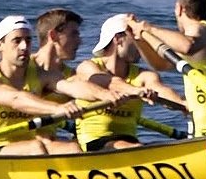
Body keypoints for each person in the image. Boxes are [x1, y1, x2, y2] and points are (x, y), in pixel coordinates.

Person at [0, 15, 111, 155]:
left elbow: (73, 86)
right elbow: (16, 100)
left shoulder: (43, 76)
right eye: (16, 41)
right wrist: (57, 108)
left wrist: (105, 95)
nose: (24, 46)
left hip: (30, 147)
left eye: (28, 40)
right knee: (35, 147)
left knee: (72, 148)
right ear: (0, 45)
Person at [125, 0, 206, 138]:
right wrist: (138, 39)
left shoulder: (200, 29)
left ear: (179, 8)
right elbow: (160, 64)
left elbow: (186, 45)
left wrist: (149, 28)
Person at [75, 14, 185, 151]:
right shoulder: (87, 67)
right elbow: (109, 82)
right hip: (93, 145)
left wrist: (184, 105)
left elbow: (161, 89)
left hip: (130, 143)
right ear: (118, 39)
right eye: (136, 39)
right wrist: (136, 91)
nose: (141, 46)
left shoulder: (144, 75)